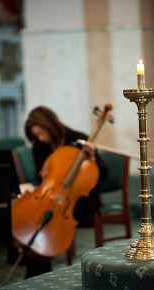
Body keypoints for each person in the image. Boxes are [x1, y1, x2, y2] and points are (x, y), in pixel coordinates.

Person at [22, 105, 108, 278]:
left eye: (42, 133)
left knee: (49, 217)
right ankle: (38, 265)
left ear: (51, 125)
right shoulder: (39, 147)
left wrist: (91, 158)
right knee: (32, 212)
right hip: (53, 196)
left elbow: (104, 173)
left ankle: (40, 262)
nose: (41, 138)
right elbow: (42, 178)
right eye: (36, 135)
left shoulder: (78, 139)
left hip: (80, 200)